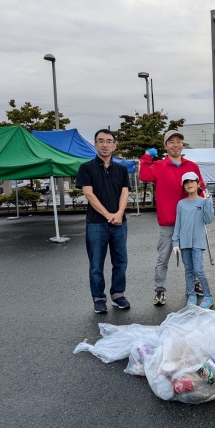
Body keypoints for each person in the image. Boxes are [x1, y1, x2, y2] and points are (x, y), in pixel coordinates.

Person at [139, 130, 205, 306]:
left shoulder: (192, 166)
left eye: (179, 141)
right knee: (163, 258)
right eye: (171, 142)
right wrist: (146, 157)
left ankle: (193, 285)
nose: (176, 145)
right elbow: (144, 175)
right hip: (168, 221)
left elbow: (202, 190)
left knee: (192, 257)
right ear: (165, 146)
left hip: (191, 222)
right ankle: (159, 290)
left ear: (182, 145)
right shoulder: (159, 166)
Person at [76, 129, 130, 313]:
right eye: (101, 141)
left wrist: (120, 213)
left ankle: (118, 294)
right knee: (96, 263)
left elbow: (125, 192)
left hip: (119, 223)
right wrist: (108, 215)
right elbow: (88, 194)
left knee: (121, 261)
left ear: (114, 146)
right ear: (95, 144)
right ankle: (99, 298)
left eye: (109, 141)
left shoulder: (122, 169)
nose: (105, 144)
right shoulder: (86, 168)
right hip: (96, 223)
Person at [172, 172, 215, 309]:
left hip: (197, 242)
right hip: (184, 243)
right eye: (186, 182)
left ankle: (208, 296)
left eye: (192, 181)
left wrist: (208, 201)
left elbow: (208, 220)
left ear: (198, 184)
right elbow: (177, 224)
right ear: (183, 186)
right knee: (188, 270)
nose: (189, 184)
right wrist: (175, 242)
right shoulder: (181, 204)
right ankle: (191, 294)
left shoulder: (203, 202)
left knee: (198, 269)